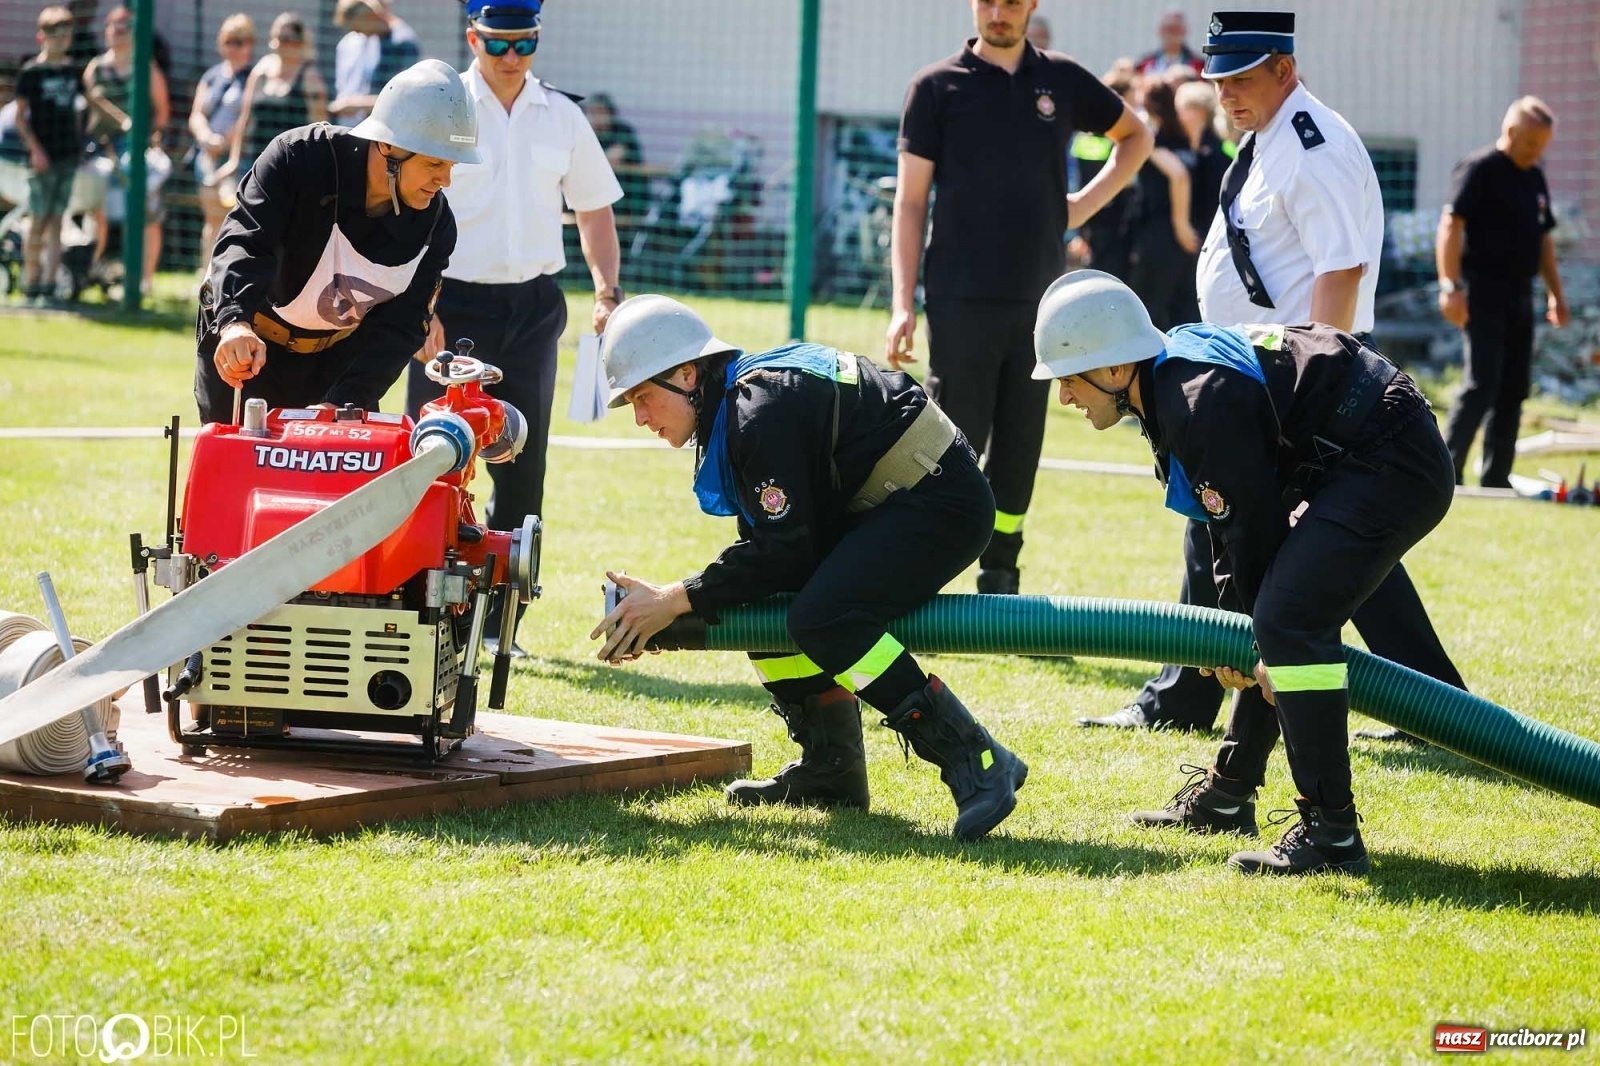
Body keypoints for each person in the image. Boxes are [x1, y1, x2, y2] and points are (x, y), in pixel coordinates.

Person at [1084, 10, 1444, 741]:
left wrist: (1318, 397)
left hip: (1298, 387)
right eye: (1219, 82)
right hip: (1263, 378)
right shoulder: (1269, 138)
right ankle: (1434, 700)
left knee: (1225, 524)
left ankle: (1184, 693)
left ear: (1285, 69)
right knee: (1336, 544)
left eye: (1243, 80)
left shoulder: (1311, 146)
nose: (1228, 96)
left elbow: (1340, 271)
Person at [1033, 270, 1461, 874]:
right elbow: (1231, 529)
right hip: (1366, 451)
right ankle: (1230, 794)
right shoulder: (1167, 385)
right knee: (1275, 623)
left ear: (1111, 370)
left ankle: (1331, 834)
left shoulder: (1194, 398)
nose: (1065, 398)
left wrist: (1250, 636)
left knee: (1286, 624)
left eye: (1068, 380)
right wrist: (1238, 631)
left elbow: (1253, 534)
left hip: (1390, 458)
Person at [592, 294, 1028, 841]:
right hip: (904, 497)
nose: (640, 418)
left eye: (643, 397)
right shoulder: (741, 403)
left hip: (940, 504)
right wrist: (670, 599)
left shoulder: (756, 414)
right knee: (766, 598)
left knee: (824, 617)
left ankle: (978, 759)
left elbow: (784, 552)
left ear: (686, 375)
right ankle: (832, 771)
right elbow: (771, 556)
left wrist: (674, 599)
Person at [887, 0, 1152, 595]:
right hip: (960, 298)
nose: (999, 12)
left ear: (1032, 5)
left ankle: (1001, 576)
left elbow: (1136, 135)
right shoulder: (934, 87)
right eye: (988, 1)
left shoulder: (1060, 78)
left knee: (1020, 445)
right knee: (953, 441)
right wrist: (903, 301)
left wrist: (1081, 205)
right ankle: (921, 578)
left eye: (1012, 1)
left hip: (1042, 302)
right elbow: (910, 203)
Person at [404, 0, 623, 658]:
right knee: (431, 463)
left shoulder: (563, 114)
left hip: (532, 308)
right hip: (452, 306)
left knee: (522, 472)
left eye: (523, 44)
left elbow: (594, 210)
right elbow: (411, 210)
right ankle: (423, 619)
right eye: (497, 44)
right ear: (472, 37)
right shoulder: (442, 105)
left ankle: (501, 631)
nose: (510, 58)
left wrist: (608, 291)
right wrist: (420, 303)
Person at [194, 59, 472, 425]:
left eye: (452, 166)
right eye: (435, 163)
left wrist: (347, 400)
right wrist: (233, 321)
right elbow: (244, 241)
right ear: (389, 147)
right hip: (247, 348)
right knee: (232, 475)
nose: (445, 181)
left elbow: (402, 326)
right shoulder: (298, 157)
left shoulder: (436, 224)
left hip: (337, 362)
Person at [1438, 97, 1568, 488]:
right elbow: (1450, 227)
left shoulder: (1534, 176)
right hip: (1482, 293)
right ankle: (1445, 472)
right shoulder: (1479, 169)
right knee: (1481, 384)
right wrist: (1450, 287)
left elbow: (1544, 240)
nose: (1536, 153)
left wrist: (1556, 295)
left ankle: (1497, 476)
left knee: (1513, 389)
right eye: (1531, 144)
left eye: (1542, 146)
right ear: (1510, 132)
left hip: (1520, 295)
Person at [82, 4, 169, 293]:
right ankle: (90, 271)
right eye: (113, 26)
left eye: (125, 27)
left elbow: (162, 112)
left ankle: (143, 281)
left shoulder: (146, 66)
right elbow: (89, 114)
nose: (118, 32)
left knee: (147, 212)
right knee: (96, 210)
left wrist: (150, 141)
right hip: (104, 152)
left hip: (139, 152)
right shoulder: (95, 69)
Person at [14, 6, 84, 308]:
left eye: (67, 34)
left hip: (67, 155)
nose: (62, 40)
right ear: (42, 36)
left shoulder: (73, 70)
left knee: (58, 220)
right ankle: (30, 282)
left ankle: (50, 285)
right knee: (38, 219)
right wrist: (35, 149)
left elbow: (83, 109)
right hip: (42, 157)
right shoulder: (31, 72)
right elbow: (19, 118)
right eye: (56, 34)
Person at [1126, 79, 1201, 330]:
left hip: (1161, 234)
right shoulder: (1182, 138)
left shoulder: (1152, 140)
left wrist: (1179, 224)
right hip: (1180, 240)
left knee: (1147, 314)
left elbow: (1178, 175)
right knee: (1183, 312)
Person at [217, 13, 327, 184]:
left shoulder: (310, 78)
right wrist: (234, 160)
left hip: (293, 167)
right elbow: (245, 119)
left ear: (299, 42)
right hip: (256, 164)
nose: (278, 43)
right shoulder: (261, 70)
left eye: (285, 38)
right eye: (275, 36)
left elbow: (320, 129)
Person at [188, 13, 255, 274]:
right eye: (229, 41)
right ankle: (206, 274)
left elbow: (247, 117)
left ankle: (230, 275)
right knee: (212, 218)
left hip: (238, 158)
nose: (234, 47)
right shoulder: (211, 76)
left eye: (240, 41)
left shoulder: (253, 76)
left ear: (250, 44)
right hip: (208, 156)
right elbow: (196, 114)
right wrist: (207, 137)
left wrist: (227, 141)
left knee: (235, 218)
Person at [1067, 67, 1139, 282]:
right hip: (1115, 224)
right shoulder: (1124, 141)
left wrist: (1079, 233)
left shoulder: (1083, 137)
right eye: (1132, 99)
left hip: (1091, 222)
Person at [329, 0, 420, 128]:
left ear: (370, 16)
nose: (359, 34)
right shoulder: (375, 37)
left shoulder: (403, 43)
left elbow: (402, 96)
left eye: (358, 29)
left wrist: (356, 105)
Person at [1135, 10, 1205, 78]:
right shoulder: (1144, 64)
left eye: (1175, 29)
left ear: (1184, 31)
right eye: (1166, 29)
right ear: (1159, 31)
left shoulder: (1199, 66)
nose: (1170, 34)